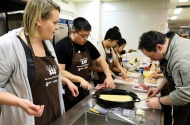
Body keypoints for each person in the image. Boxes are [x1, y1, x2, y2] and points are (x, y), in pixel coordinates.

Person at [0, 0, 68, 125]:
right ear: (38, 20)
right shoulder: (7, 45)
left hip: (54, 116)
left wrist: (67, 81)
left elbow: (48, 75)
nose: (57, 27)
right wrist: (20, 102)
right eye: (54, 22)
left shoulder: (47, 43)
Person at [55, 17, 114, 111]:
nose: (86, 39)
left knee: (84, 111)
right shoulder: (62, 46)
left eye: (88, 35)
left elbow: (101, 61)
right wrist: (80, 79)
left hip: (85, 89)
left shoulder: (88, 45)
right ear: (73, 32)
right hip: (69, 92)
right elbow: (60, 71)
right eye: (83, 36)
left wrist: (108, 76)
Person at [138, 30, 190, 125]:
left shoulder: (180, 59)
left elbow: (184, 95)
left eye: (151, 56)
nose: (152, 60)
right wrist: (158, 88)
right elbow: (172, 73)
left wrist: (159, 100)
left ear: (159, 47)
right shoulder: (171, 43)